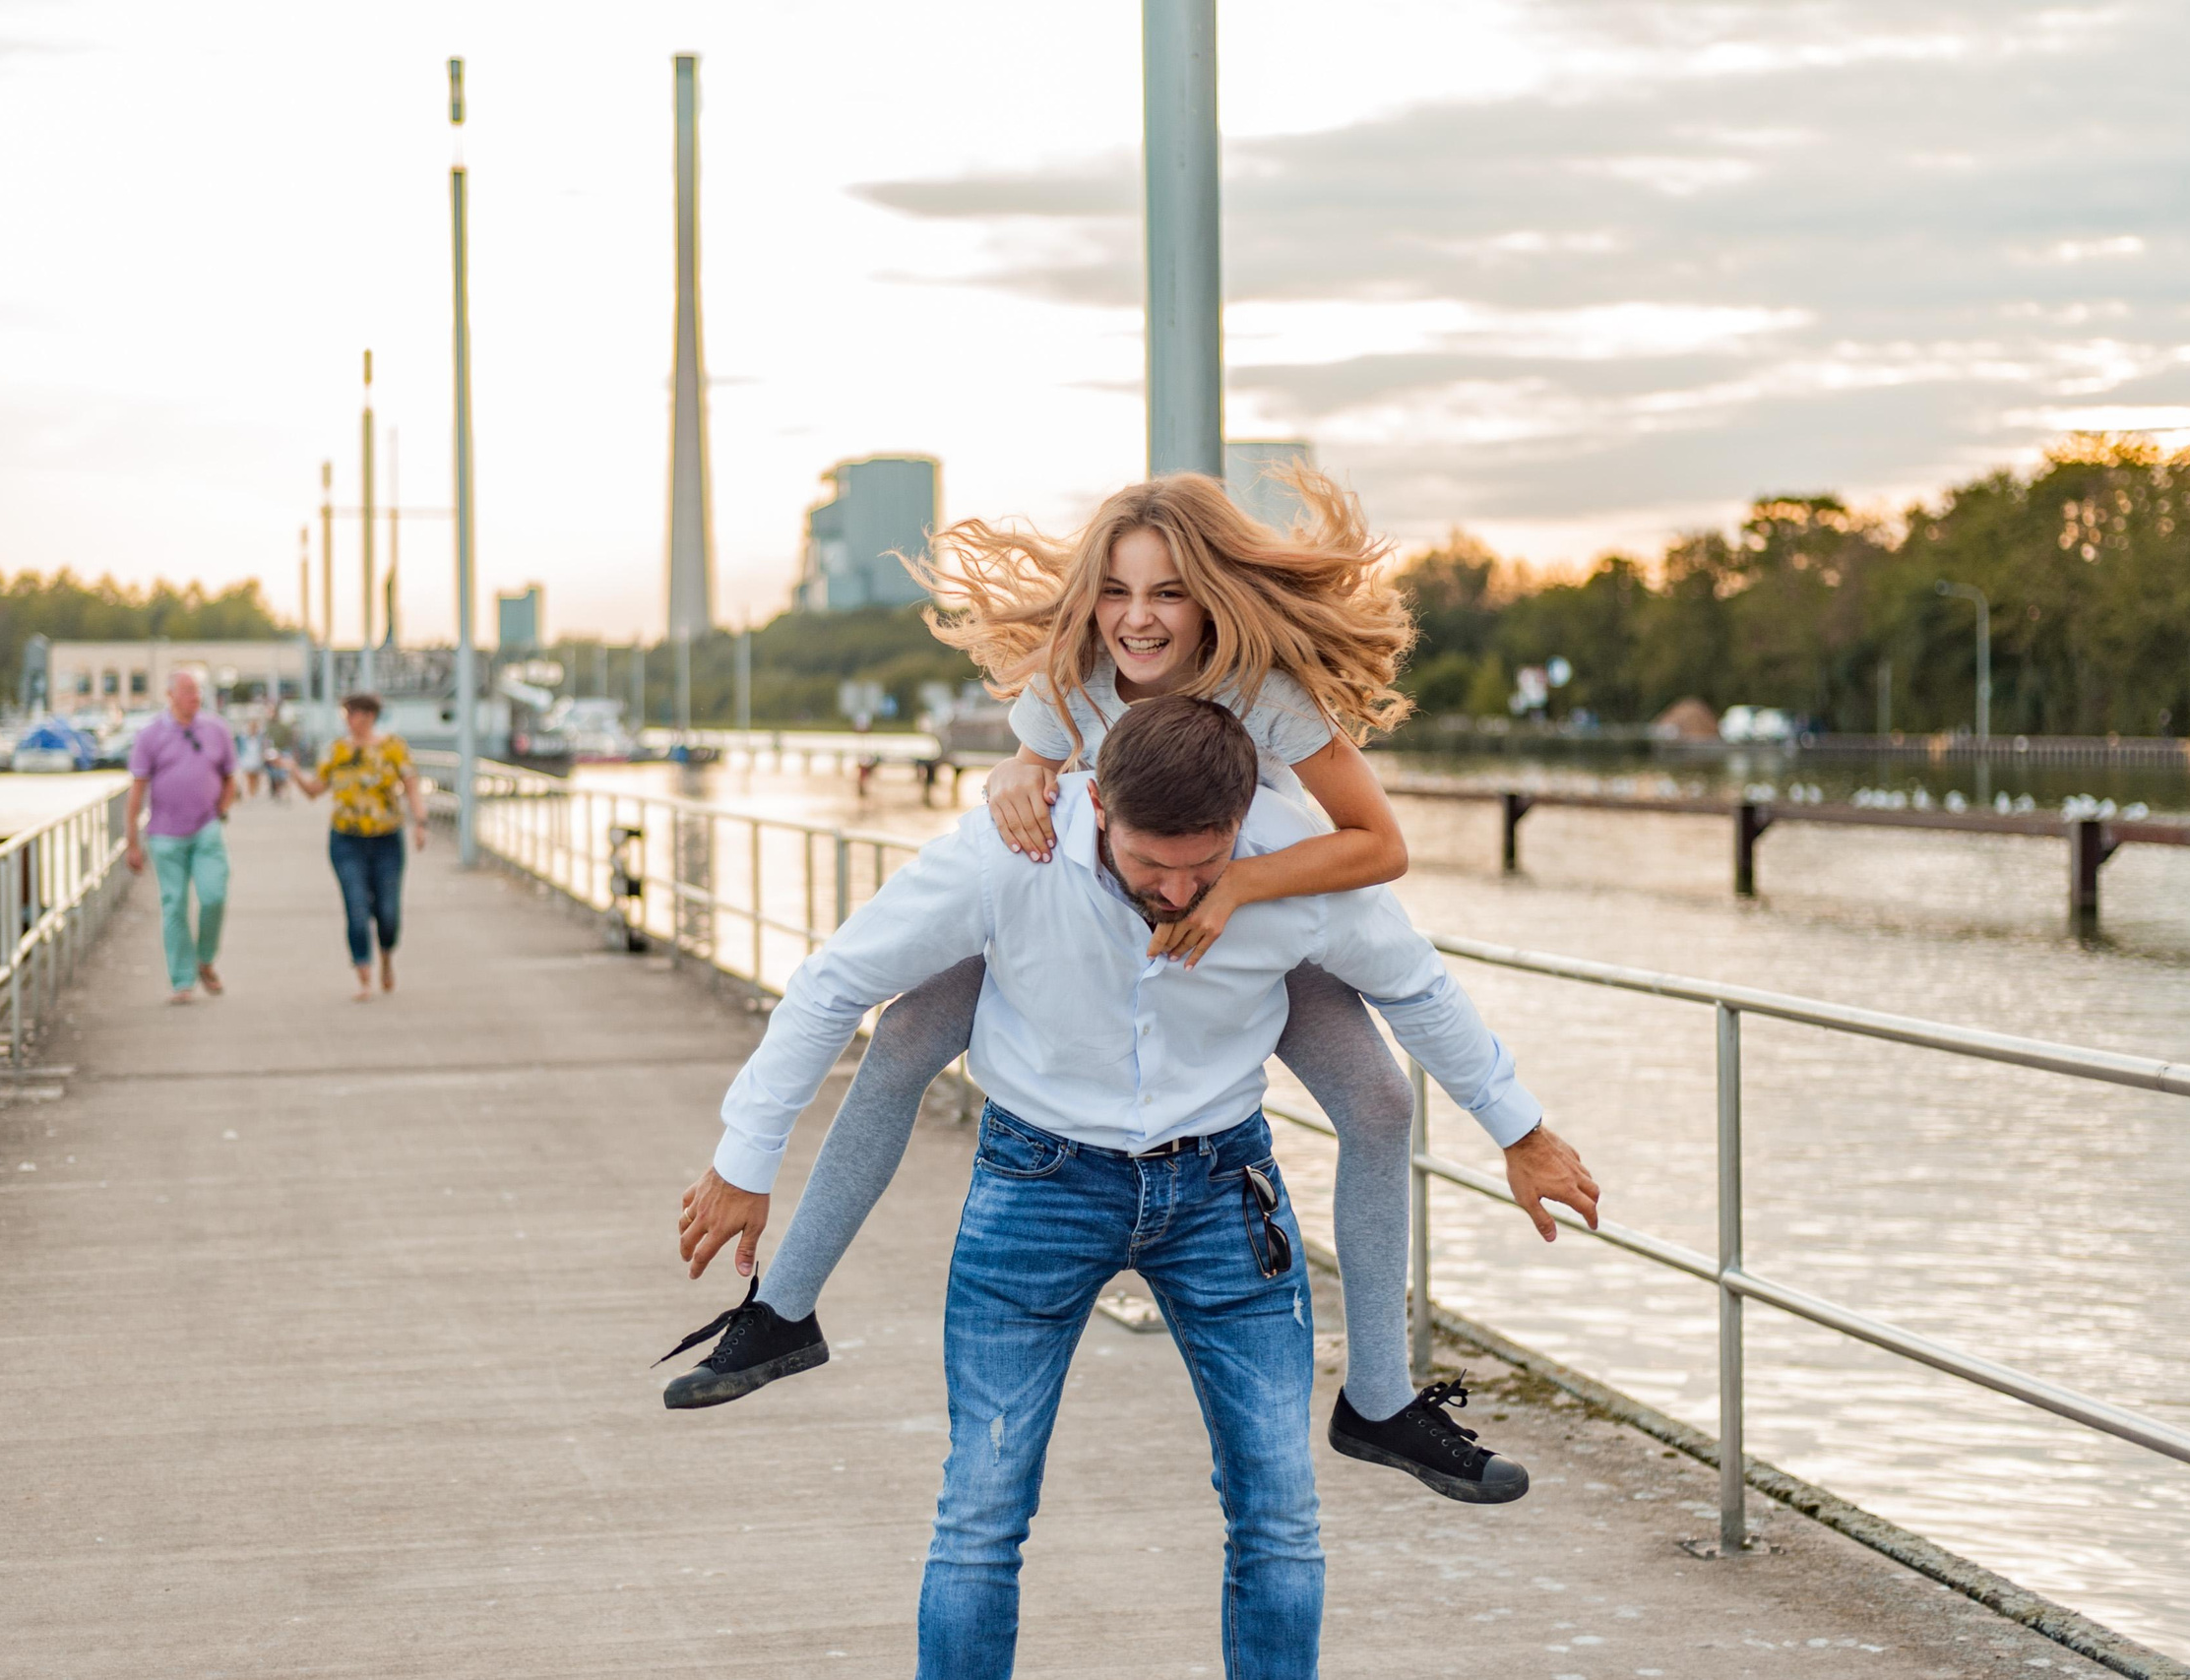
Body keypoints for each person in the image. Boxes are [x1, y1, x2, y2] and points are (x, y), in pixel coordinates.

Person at [667, 698, 1599, 1680]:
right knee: (981, 1514)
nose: (1180, 889)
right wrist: (743, 1161)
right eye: (1153, 864)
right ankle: (785, 1315)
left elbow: (1419, 989)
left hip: (1220, 1191)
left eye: (1206, 864)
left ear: (1243, 821)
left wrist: (1521, 1132)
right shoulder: (1006, 855)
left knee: (1278, 1514)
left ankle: (1379, 1405)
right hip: (1038, 1183)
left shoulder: (1286, 864)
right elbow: (832, 985)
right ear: (1097, 809)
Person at [686, 467, 1553, 1490]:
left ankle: (1380, 1399)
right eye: (1117, 592)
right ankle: (782, 1309)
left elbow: (1378, 844)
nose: (1138, 619)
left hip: (1255, 913)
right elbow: (1027, 779)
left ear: (1212, 596)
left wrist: (1235, 887)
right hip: (1100, 914)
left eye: (1167, 592)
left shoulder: (1262, 696)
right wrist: (1016, 770)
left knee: (1376, 1099)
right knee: (907, 1036)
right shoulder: (1072, 677)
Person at [275, 693, 427, 1001]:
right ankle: (364, 974)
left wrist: (420, 823)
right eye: (346, 714)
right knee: (356, 906)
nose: (347, 719)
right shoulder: (337, 750)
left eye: (352, 713)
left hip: (386, 839)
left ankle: (385, 956)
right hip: (346, 839)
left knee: (388, 911)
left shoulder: (392, 747)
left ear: (369, 716)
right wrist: (293, 772)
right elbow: (316, 790)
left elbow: (411, 784)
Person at [123, 669, 241, 1005]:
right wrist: (132, 841)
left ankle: (205, 958)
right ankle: (182, 980)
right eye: (188, 690)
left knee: (214, 895)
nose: (195, 696)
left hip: (206, 827)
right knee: (174, 904)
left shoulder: (217, 730)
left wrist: (221, 810)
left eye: (198, 691)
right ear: (171, 694)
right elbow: (137, 790)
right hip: (165, 835)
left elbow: (230, 777)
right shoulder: (150, 735)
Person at [237, 721, 267, 797]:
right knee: (248, 776)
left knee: (256, 777)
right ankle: (251, 792)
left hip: (257, 759)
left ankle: (254, 791)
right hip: (247, 759)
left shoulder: (260, 737)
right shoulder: (243, 737)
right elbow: (240, 748)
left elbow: (263, 747)